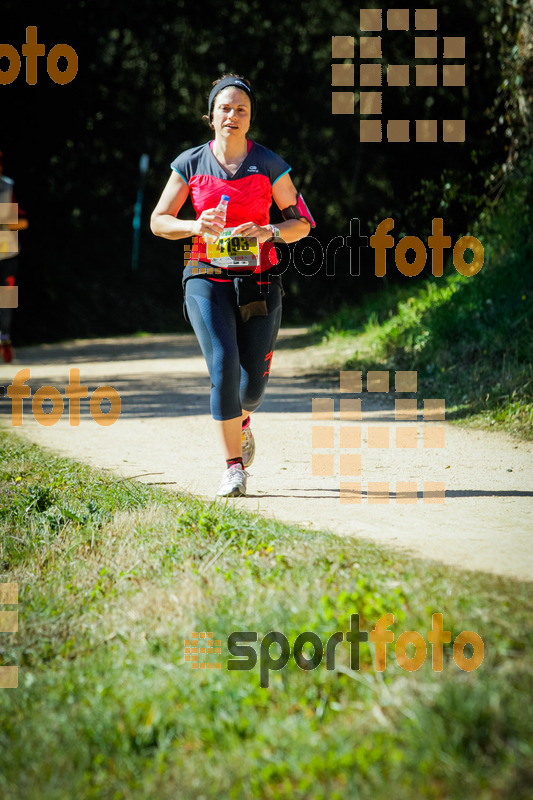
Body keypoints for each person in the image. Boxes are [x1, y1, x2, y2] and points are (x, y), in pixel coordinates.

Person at [151, 74, 314, 497]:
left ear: (250, 118)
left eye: (241, 109)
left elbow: (301, 224)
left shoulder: (270, 164)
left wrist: (268, 232)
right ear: (211, 116)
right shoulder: (189, 163)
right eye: (225, 108)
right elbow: (158, 221)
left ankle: (242, 420)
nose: (233, 115)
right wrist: (193, 224)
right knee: (222, 363)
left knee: (251, 389)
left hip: (258, 281)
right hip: (205, 275)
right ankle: (232, 467)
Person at [0, 150, 28, 363]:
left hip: (7, 254)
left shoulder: (7, 187)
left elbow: (23, 222)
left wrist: (6, 222)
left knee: (6, 302)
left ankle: (5, 338)